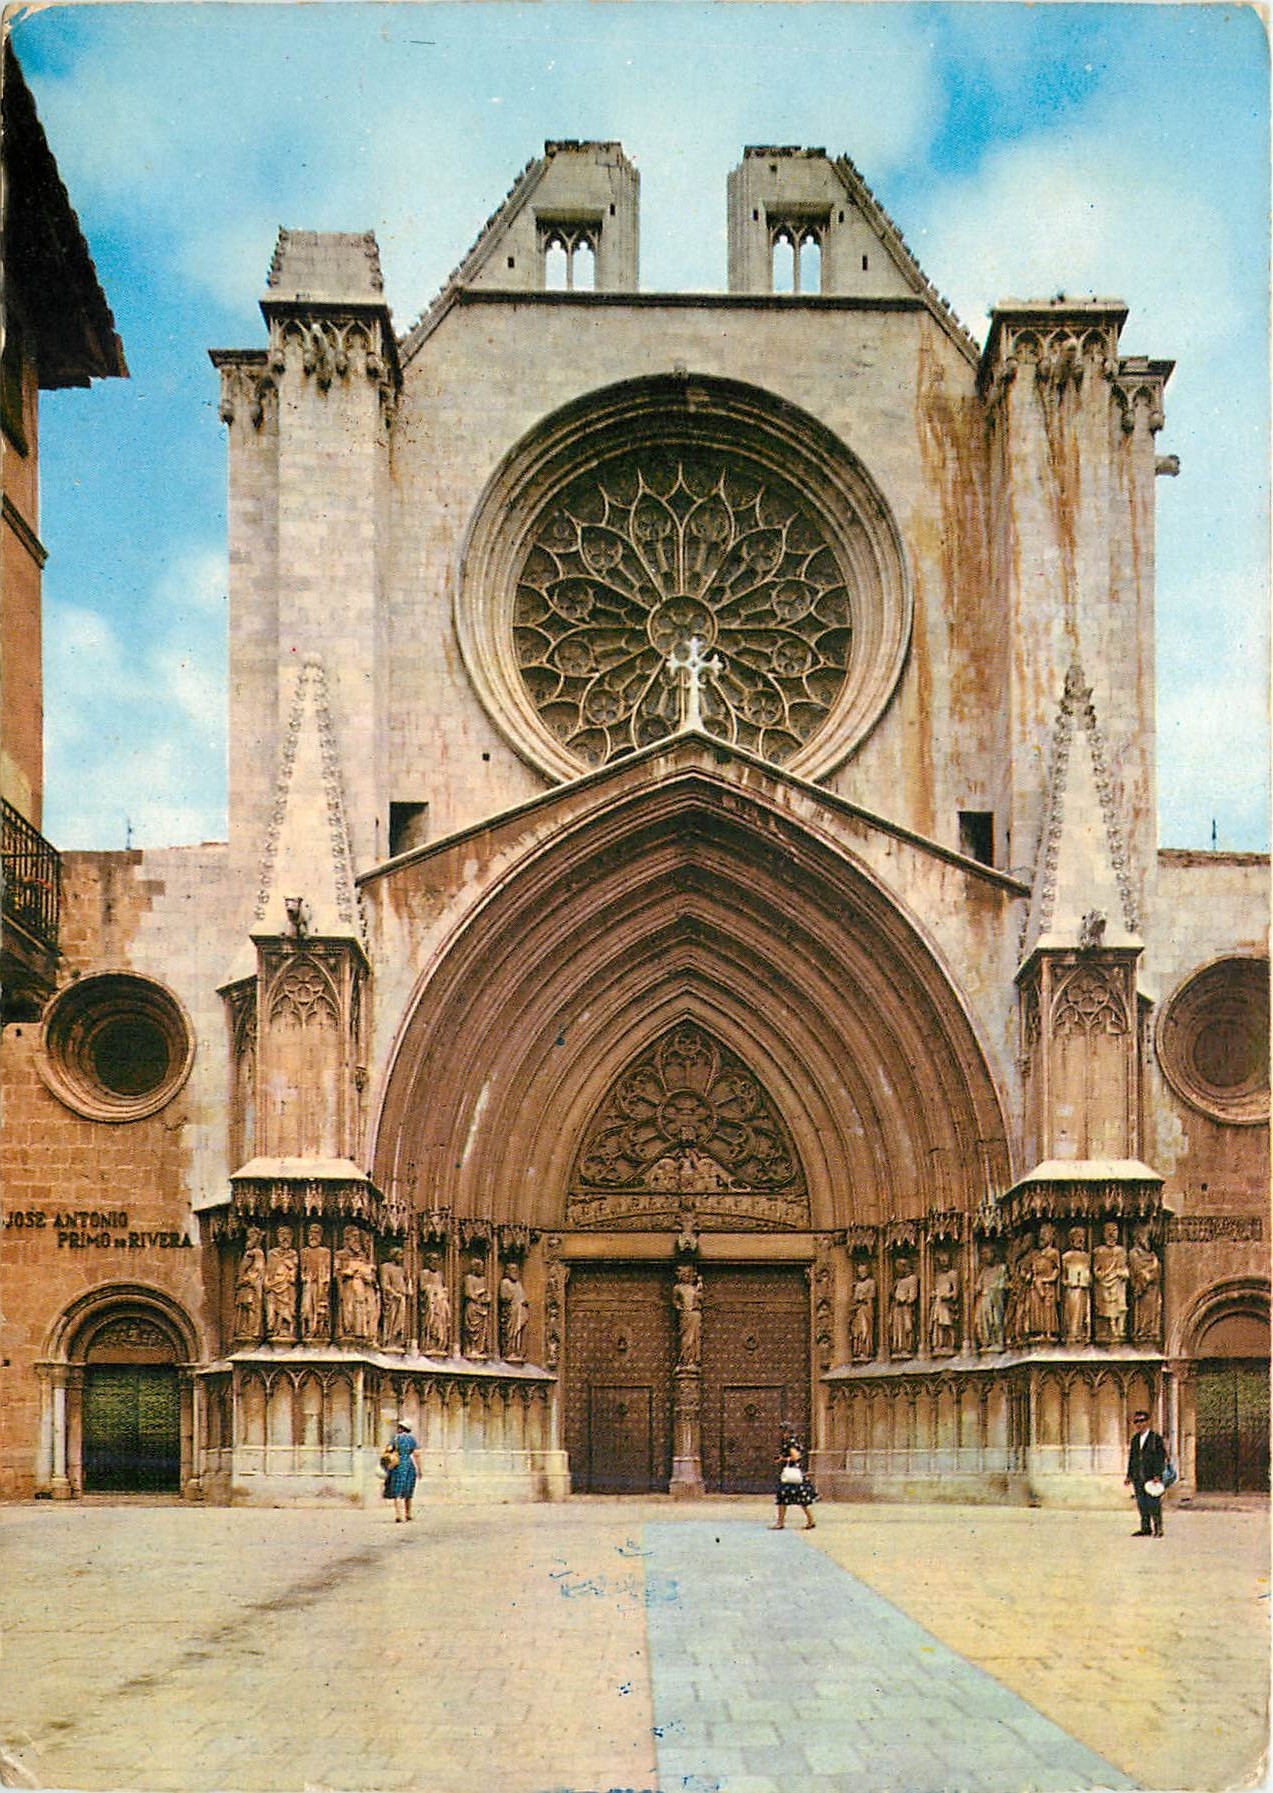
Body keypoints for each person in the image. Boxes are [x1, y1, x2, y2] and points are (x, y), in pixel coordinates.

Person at [1125, 1409, 1168, 1538]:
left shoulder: (1155, 1438)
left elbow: (1160, 1457)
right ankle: (1145, 1528)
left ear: (1148, 1422)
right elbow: (1132, 1458)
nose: (1139, 1424)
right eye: (1136, 1421)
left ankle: (1158, 1527)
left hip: (1151, 1476)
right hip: (1139, 1476)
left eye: (1142, 1421)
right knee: (1142, 1503)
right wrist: (1129, 1475)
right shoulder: (1135, 1439)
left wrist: (1157, 1475)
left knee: (1153, 1502)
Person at [770, 1429, 817, 1530]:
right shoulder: (795, 1442)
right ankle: (810, 1520)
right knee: (802, 1500)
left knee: (782, 1498)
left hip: (791, 1476)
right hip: (796, 1475)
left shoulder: (790, 1443)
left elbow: (795, 1457)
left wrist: (783, 1459)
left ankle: (780, 1522)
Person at [382, 1417, 422, 1523]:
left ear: (401, 1428)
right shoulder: (412, 1439)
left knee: (397, 1490)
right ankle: (408, 1514)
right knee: (408, 1491)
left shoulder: (395, 1439)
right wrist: (419, 1469)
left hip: (397, 1465)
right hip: (409, 1465)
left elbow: (388, 1451)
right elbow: (416, 1455)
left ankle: (398, 1515)